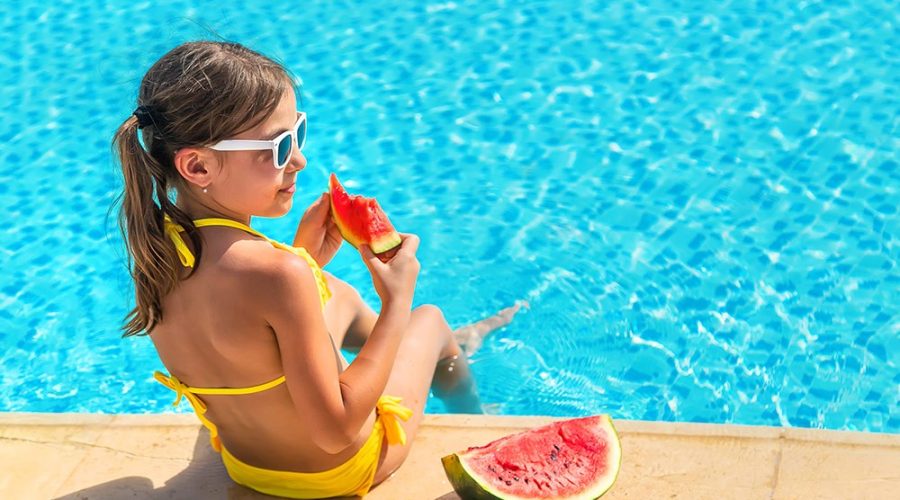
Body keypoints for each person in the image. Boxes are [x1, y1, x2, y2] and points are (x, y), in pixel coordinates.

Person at [113, 41, 521, 499]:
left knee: (331, 288)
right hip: (338, 472)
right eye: (279, 145)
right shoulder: (279, 274)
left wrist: (304, 259)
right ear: (198, 165)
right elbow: (337, 430)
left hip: (246, 468)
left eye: (298, 133)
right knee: (427, 320)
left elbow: (241, 323)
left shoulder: (156, 251)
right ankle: (474, 410)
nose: (300, 160)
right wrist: (396, 303)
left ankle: (407, 350)